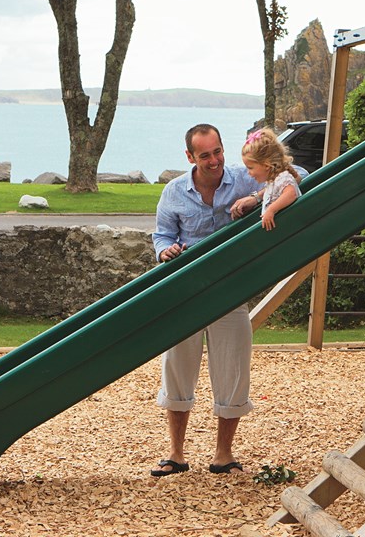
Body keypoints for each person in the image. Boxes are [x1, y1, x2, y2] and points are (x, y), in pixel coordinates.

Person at [150, 124, 261, 477]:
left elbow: (296, 174)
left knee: (233, 369)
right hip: (187, 291)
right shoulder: (174, 191)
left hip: (231, 289)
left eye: (218, 151)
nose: (214, 161)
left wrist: (257, 198)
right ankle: (176, 454)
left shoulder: (245, 178)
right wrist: (164, 250)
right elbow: (163, 234)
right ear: (190, 158)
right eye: (205, 155)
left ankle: (223, 454)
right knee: (177, 368)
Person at [240, 128, 302, 231]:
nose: (248, 173)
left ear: (266, 165)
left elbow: (291, 194)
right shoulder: (272, 181)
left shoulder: (282, 178)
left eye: (250, 168)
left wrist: (271, 210)